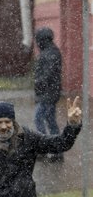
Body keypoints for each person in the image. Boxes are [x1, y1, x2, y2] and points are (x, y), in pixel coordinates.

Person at [33, 28, 63, 158]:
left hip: (48, 94)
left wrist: (38, 82)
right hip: (49, 93)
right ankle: (57, 152)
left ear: (42, 40)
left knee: (39, 119)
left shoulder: (50, 54)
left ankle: (44, 149)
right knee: (50, 121)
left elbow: (48, 75)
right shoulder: (50, 52)